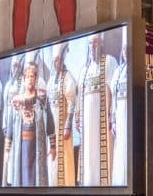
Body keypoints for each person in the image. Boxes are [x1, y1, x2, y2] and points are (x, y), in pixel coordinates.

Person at [75, 33, 118, 186]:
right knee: (88, 152)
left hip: (102, 119)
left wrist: (112, 115)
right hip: (87, 121)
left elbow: (115, 91)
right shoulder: (85, 69)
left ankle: (104, 185)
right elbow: (79, 94)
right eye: (90, 44)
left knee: (103, 151)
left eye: (95, 43)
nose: (92, 47)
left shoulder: (109, 62)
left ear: (101, 44)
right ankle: (88, 184)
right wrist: (77, 116)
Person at [7, 61, 52, 186]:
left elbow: (50, 121)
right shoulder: (17, 100)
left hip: (37, 144)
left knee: (36, 177)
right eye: (28, 76)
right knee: (22, 174)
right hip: (22, 145)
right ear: (23, 78)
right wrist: (7, 150)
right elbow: (11, 124)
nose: (30, 79)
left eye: (32, 76)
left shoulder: (42, 98)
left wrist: (52, 146)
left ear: (36, 78)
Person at [46, 42, 76, 186]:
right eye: (53, 61)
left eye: (57, 60)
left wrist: (68, 125)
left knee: (64, 157)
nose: (55, 63)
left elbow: (71, 102)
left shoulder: (68, 78)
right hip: (52, 127)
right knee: (52, 157)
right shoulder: (51, 80)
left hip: (62, 125)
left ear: (62, 59)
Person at [1, 54, 24, 185]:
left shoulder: (23, 83)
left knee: (17, 152)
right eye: (13, 66)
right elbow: (5, 105)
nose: (15, 69)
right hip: (9, 123)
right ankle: (7, 181)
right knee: (8, 153)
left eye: (17, 66)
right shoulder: (8, 84)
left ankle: (17, 181)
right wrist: (4, 125)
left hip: (18, 122)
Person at [110, 28, 128, 186]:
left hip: (130, 112)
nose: (125, 53)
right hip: (120, 111)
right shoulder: (118, 71)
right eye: (123, 50)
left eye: (127, 49)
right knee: (120, 146)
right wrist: (113, 119)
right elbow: (114, 98)